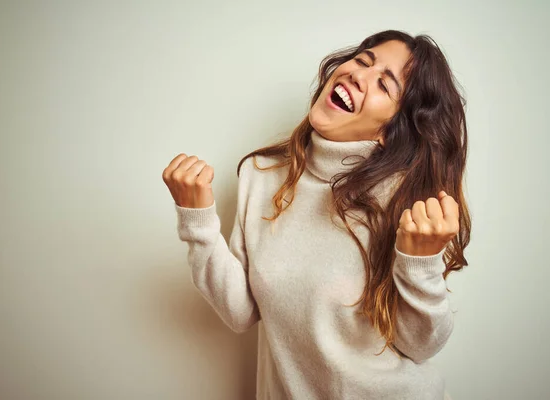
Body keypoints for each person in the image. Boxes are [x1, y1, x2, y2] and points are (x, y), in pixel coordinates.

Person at [162, 29, 471, 400]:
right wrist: (197, 221)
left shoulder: (404, 201)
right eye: (362, 60)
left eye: (383, 85)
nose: (358, 75)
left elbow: (420, 346)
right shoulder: (260, 175)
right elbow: (240, 311)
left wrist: (420, 263)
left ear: (390, 131)